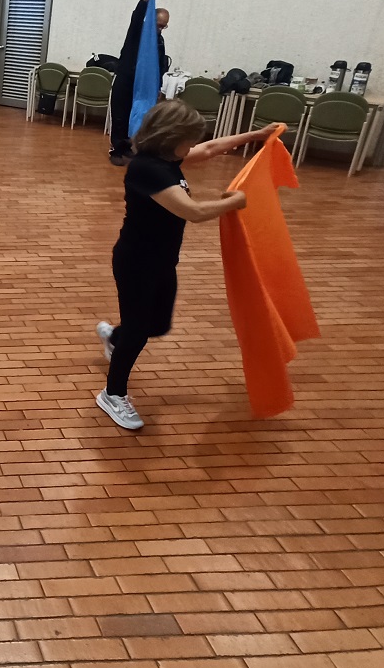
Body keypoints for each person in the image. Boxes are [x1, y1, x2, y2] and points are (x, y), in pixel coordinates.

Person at [94, 100, 280, 431]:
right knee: (139, 332)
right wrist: (235, 201)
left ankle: (114, 335)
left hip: (163, 260)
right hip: (136, 262)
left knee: (158, 325)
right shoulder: (146, 169)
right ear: (170, 137)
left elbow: (211, 148)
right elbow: (191, 211)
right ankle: (112, 393)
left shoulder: (168, 158)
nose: (193, 145)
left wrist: (258, 135)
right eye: (188, 139)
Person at [109, 0, 171, 166]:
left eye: (164, 26)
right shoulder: (137, 33)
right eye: (158, 25)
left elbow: (160, 65)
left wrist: (158, 86)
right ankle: (117, 149)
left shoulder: (159, 41)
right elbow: (136, 17)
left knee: (138, 116)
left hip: (144, 86)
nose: (161, 29)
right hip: (126, 80)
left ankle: (129, 145)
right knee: (120, 115)